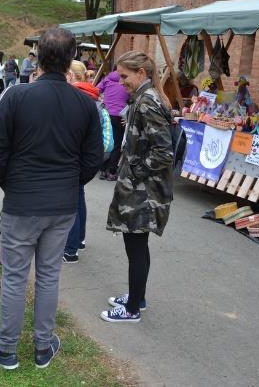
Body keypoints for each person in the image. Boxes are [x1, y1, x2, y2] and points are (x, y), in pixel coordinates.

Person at [0, 28, 103, 370]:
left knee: (16, 276)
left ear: (38, 56)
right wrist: (68, 183)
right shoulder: (85, 103)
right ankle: (42, 346)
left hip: (25, 202)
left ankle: (7, 351)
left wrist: (4, 182)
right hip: (61, 204)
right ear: (71, 59)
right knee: (49, 275)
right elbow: (94, 158)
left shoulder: (18, 97)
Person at [101, 50, 174, 323]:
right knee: (137, 245)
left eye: (124, 76)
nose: (121, 82)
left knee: (136, 245)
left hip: (144, 191)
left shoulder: (147, 101)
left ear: (141, 73)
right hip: (143, 187)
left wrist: (134, 173)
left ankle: (131, 309)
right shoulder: (145, 97)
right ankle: (137, 297)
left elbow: (164, 152)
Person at [61, 60, 100, 265]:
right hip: (84, 157)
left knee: (72, 204)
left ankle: (70, 249)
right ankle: (80, 239)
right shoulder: (91, 94)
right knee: (79, 199)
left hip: (72, 157)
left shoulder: (75, 96)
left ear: (70, 75)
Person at [97, 70, 130, 181]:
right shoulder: (127, 79)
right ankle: (111, 172)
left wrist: (104, 98)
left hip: (106, 113)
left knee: (105, 141)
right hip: (120, 116)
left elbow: (97, 90)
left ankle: (102, 170)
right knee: (116, 144)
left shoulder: (107, 79)